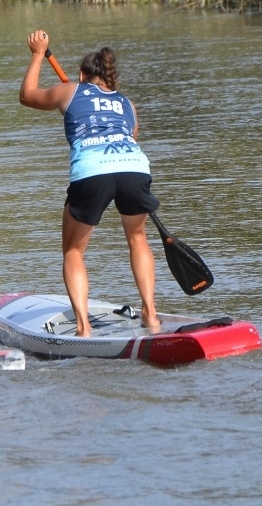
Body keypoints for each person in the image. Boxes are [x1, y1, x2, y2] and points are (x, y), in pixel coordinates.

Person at [18, 31, 161, 337]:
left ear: (82, 75)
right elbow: (132, 138)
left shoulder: (69, 91)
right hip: (135, 167)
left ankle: (83, 328)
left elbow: (27, 95)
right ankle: (151, 314)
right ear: (111, 80)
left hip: (93, 171)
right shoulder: (127, 104)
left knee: (73, 251)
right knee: (137, 239)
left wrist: (37, 53)